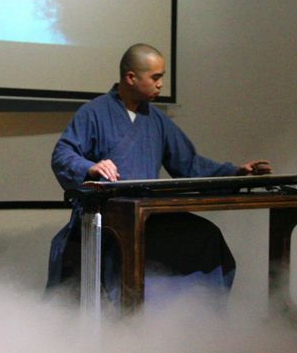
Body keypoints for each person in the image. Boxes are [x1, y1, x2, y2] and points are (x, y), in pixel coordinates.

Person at [47, 43, 271, 300]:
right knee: (122, 247)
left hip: (147, 213)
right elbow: (62, 154)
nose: (160, 84)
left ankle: (194, 312)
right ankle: (133, 315)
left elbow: (189, 165)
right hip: (108, 217)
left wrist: (237, 173)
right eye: (155, 77)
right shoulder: (94, 112)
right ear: (131, 78)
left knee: (205, 236)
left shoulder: (156, 119)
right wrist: (90, 167)